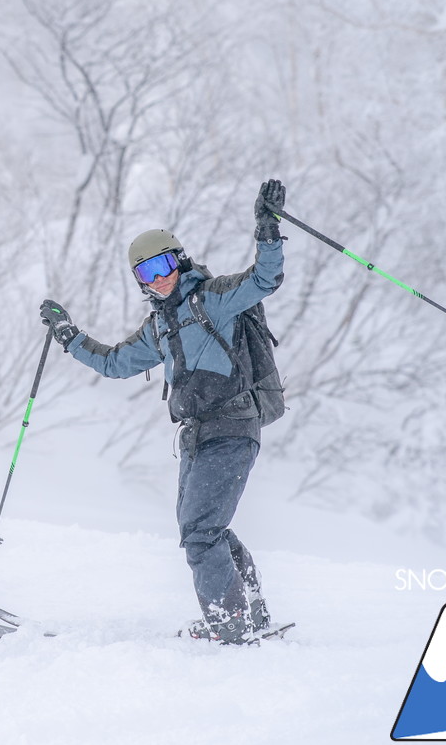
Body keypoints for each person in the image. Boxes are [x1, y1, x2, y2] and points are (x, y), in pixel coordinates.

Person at [39, 180, 286, 644]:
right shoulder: (159, 324)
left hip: (233, 425)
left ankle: (231, 624)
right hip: (195, 436)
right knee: (202, 529)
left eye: (162, 265)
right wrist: (69, 336)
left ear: (179, 260)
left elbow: (263, 279)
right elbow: (114, 362)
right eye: (145, 273)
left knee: (200, 533)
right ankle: (248, 614)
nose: (157, 279)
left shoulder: (214, 296)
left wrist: (267, 229)